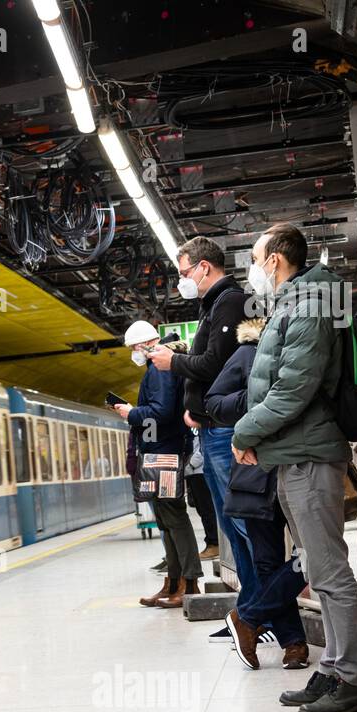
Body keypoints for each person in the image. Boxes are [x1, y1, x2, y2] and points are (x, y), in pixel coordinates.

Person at [232, 223, 357, 712]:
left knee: (330, 572)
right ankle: (332, 668)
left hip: (310, 455)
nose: (251, 268)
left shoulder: (311, 303)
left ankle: (351, 680)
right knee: (316, 565)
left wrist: (245, 432)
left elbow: (294, 387)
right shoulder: (296, 301)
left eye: (254, 257)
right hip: (293, 453)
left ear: (274, 260)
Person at [147, 236, 260, 616]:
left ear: (204, 267)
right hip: (211, 429)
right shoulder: (214, 306)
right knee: (232, 526)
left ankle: (263, 607)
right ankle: (249, 610)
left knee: (244, 525)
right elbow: (211, 362)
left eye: (184, 272)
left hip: (225, 432)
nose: (183, 280)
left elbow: (215, 365)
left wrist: (172, 363)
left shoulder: (229, 302)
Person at [204, 316, 310, 670]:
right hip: (258, 472)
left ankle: (246, 616)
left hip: (301, 466)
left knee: (311, 556)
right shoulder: (247, 354)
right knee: (267, 563)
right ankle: (293, 643)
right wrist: (257, 398)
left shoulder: (304, 352)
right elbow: (214, 403)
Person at [113, 321, 202, 608]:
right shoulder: (158, 367)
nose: (132, 354)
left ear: (143, 345)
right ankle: (174, 580)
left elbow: (162, 411)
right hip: (160, 451)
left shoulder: (158, 370)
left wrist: (132, 413)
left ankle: (189, 584)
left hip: (164, 452)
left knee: (174, 518)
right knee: (165, 519)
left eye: (132, 349)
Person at [185, 430, 219, 560]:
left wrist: (190, 465)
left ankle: (214, 543)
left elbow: (201, 448)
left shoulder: (198, 422)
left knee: (206, 509)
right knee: (202, 509)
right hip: (194, 471)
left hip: (199, 470)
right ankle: (211, 542)